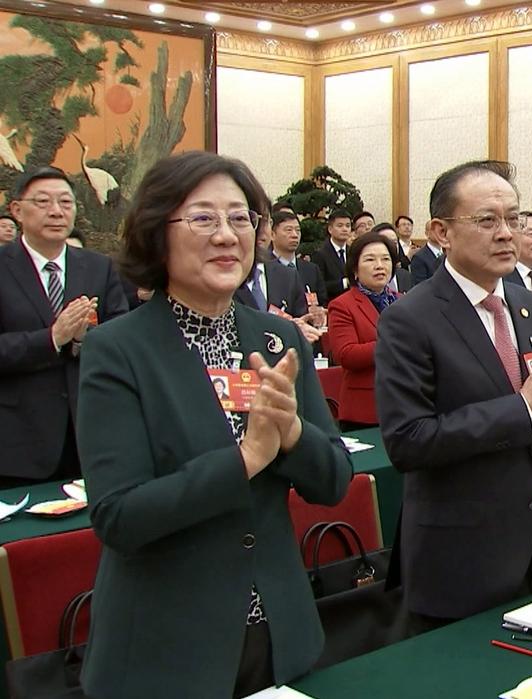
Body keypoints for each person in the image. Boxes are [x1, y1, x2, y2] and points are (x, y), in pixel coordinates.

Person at [76, 151, 351, 699]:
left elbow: (334, 481)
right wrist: (245, 460)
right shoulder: (118, 349)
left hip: (278, 636)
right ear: (158, 232)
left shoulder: (277, 338)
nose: (227, 235)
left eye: (240, 218)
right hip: (167, 644)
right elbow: (119, 516)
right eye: (203, 218)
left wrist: (293, 435)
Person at [374, 160, 532, 624]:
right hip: (461, 555)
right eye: (487, 220)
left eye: (514, 218)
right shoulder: (409, 318)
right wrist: (524, 405)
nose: (506, 233)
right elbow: (408, 441)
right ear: (442, 232)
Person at [0, 166, 128, 487]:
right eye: (43, 202)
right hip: (17, 443)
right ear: (17, 210)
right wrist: (52, 338)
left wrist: (85, 340)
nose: (56, 211)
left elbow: (123, 340)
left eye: (65, 202)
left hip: (89, 436)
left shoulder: (99, 267)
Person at [327, 231, 400, 429]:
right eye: (370, 259)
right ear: (355, 269)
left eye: (386, 259)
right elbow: (346, 354)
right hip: (364, 410)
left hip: (405, 405)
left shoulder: (403, 301)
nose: (380, 265)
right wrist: (393, 345)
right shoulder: (342, 305)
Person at [270, 211, 328, 323]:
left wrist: (318, 312)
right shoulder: (265, 268)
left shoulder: (311, 269)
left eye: (297, 230)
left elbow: (322, 300)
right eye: (288, 230)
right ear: (272, 235)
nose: (294, 235)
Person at [311, 208, 352, 302]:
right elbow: (319, 285)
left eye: (348, 226)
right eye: (340, 226)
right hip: (331, 303)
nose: (345, 229)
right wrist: (345, 282)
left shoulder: (353, 251)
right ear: (330, 229)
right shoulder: (320, 253)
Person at [371, 223, 414, 292]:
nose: (392, 246)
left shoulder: (406, 275)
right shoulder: (368, 276)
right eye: (386, 242)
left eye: (395, 242)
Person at [408, 219, 445, 285]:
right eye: (434, 229)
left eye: (441, 230)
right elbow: (420, 285)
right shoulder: (419, 258)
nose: (438, 233)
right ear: (427, 233)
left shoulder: (448, 253)